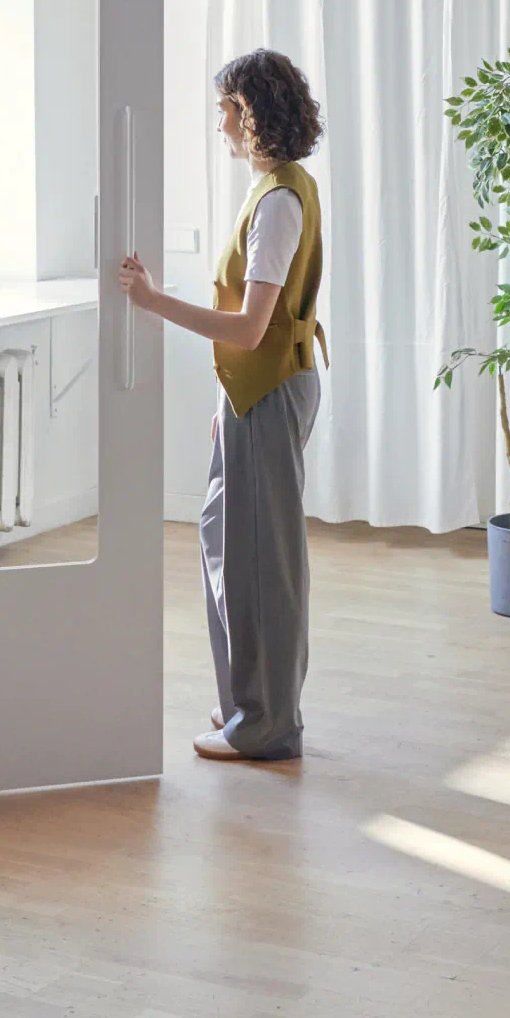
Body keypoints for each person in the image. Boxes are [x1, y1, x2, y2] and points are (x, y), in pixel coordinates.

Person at [119, 49, 326, 763]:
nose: (221, 124)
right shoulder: (276, 187)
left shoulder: (278, 203)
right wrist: (227, 400)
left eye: (227, 109)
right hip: (254, 394)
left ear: (254, 113)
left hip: (268, 391)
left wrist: (153, 301)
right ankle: (249, 700)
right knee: (225, 535)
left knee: (263, 562)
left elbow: (250, 328)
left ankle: (267, 723)